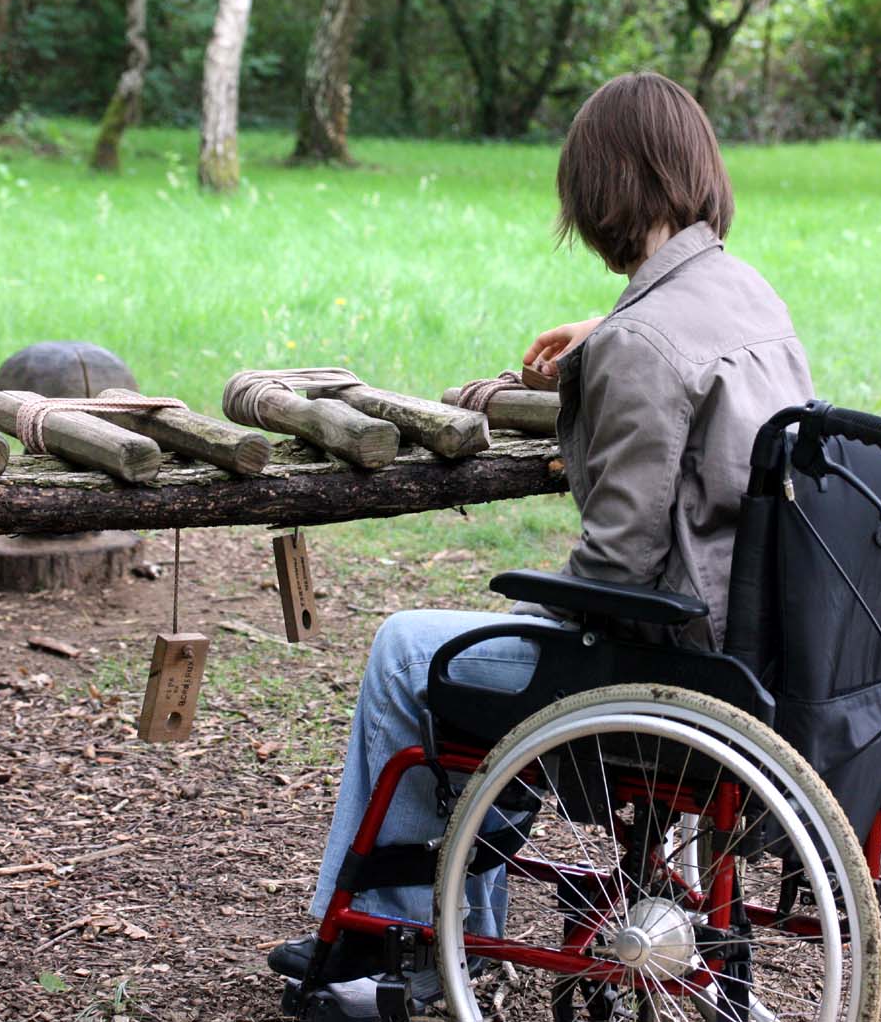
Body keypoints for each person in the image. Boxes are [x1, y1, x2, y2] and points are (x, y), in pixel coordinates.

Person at [269, 72, 815, 998]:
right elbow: (682, 365)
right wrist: (607, 332)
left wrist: (540, 597)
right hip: (759, 643)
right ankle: (453, 926)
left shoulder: (639, 347)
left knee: (408, 649)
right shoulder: (747, 294)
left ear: (600, 189)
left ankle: (392, 944)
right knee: (474, 659)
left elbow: (621, 555)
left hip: (666, 660)